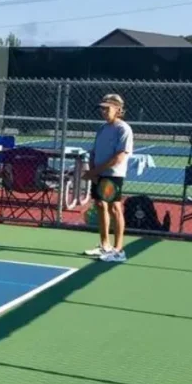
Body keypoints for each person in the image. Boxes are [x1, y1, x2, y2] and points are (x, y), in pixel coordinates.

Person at [83, 93, 133, 263]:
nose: (103, 112)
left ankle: (119, 250)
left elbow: (119, 157)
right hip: (99, 174)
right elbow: (94, 152)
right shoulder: (103, 128)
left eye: (107, 108)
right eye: (102, 109)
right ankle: (105, 245)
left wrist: (95, 171)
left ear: (118, 109)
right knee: (100, 205)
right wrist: (93, 171)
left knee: (114, 208)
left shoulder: (123, 129)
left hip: (113, 175)